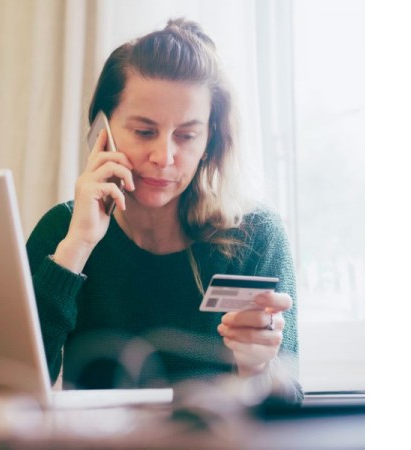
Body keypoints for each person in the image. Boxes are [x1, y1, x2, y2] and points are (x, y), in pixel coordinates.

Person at [26, 18, 302, 402]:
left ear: (210, 140)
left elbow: (286, 415)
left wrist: (257, 370)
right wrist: (77, 247)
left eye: (187, 136)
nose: (164, 157)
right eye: (144, 131)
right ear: (101, 131)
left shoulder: (255, 236)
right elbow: (14, 389)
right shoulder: (63, 231)